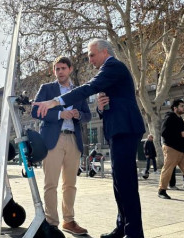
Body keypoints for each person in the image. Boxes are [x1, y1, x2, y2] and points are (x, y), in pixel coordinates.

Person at [33, 39, 146, 238]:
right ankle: (122, 228)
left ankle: (134, 233)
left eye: (92, 55)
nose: (90, 60)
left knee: (126, 183)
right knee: (119, 183)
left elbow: (88, 88)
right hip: (116, 130)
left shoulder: (113, 66)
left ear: (104, 52)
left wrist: (55, 102)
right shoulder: (110, 71)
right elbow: (109, 104)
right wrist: (101, 108)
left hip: (125, 129)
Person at [31, 56, 91, 235]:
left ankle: (69, 221)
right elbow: (35, 111)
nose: (60, 72)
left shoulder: (79, 91)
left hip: (73, 139)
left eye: (63, 68)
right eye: (57, 69)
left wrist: (77, 114)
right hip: (52, 141)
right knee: (51, 184)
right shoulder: (47, 89)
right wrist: (59, 115)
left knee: (70, 184)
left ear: (70, 69)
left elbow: (88, 116)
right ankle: (51, 223)